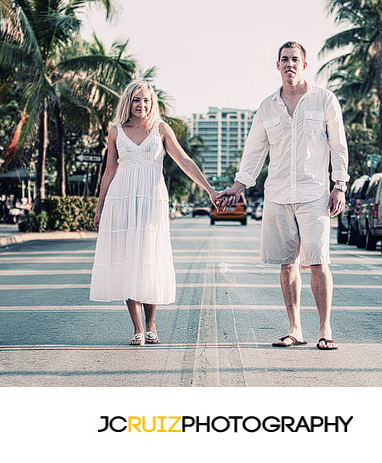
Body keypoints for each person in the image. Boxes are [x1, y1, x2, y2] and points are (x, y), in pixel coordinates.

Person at [217, 41, 350, 350]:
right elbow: (254, 152)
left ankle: (325, 329)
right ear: (277, 65)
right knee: (286, 263)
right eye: (284, 59)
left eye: (295, 59)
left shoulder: (324, 101)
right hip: (277, 194)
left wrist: (339, 184)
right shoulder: (267, 107)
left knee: (317, 261)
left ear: (304, 65)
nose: (289, 64)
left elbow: (338, 146)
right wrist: (238, 187)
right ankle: (294, 329)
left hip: (315, 193)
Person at [90, 80, 219, 346]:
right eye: (137, 100)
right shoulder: (116, 131)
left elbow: (184, 160)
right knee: (128, 262)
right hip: (121, 201)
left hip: (151, 201)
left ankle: (150, 323)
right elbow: (109, 172)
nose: (142, 105)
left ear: (153, 103)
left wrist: (209, 190)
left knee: (148, 258)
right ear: (129, 101)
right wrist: (99, 208)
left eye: (146, 100)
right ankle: (137, 328)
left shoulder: (161, 129)